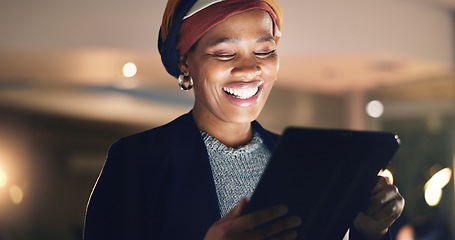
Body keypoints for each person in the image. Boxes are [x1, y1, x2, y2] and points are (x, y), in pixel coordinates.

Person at [84, 0, 405, 239]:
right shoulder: (137, 161)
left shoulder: (302, 161)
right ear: (185, 63)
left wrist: (367, 231)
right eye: (224, 53)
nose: (250, 69)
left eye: (264, 51)